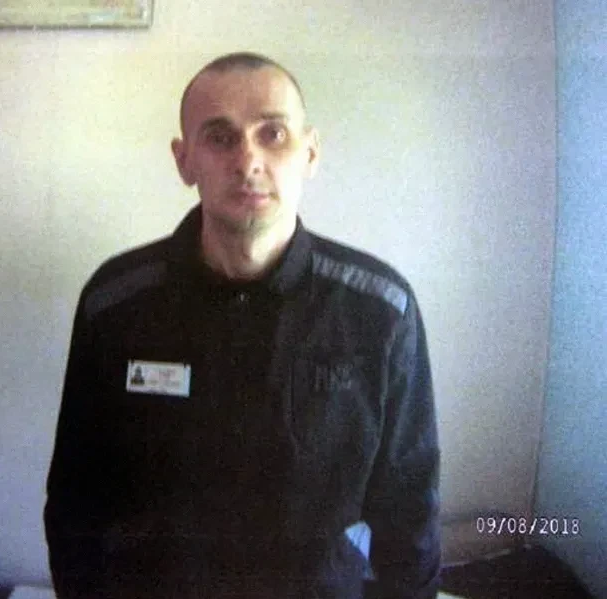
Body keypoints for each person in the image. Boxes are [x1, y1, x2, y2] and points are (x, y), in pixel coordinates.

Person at [44, 51, 441, 599]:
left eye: (272, 134)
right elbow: (76, 502)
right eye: (220, 137)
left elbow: (410, 509)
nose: (248, 159)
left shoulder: (380, 312)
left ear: (310, 153)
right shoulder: (115, 304)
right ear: (184, 161)